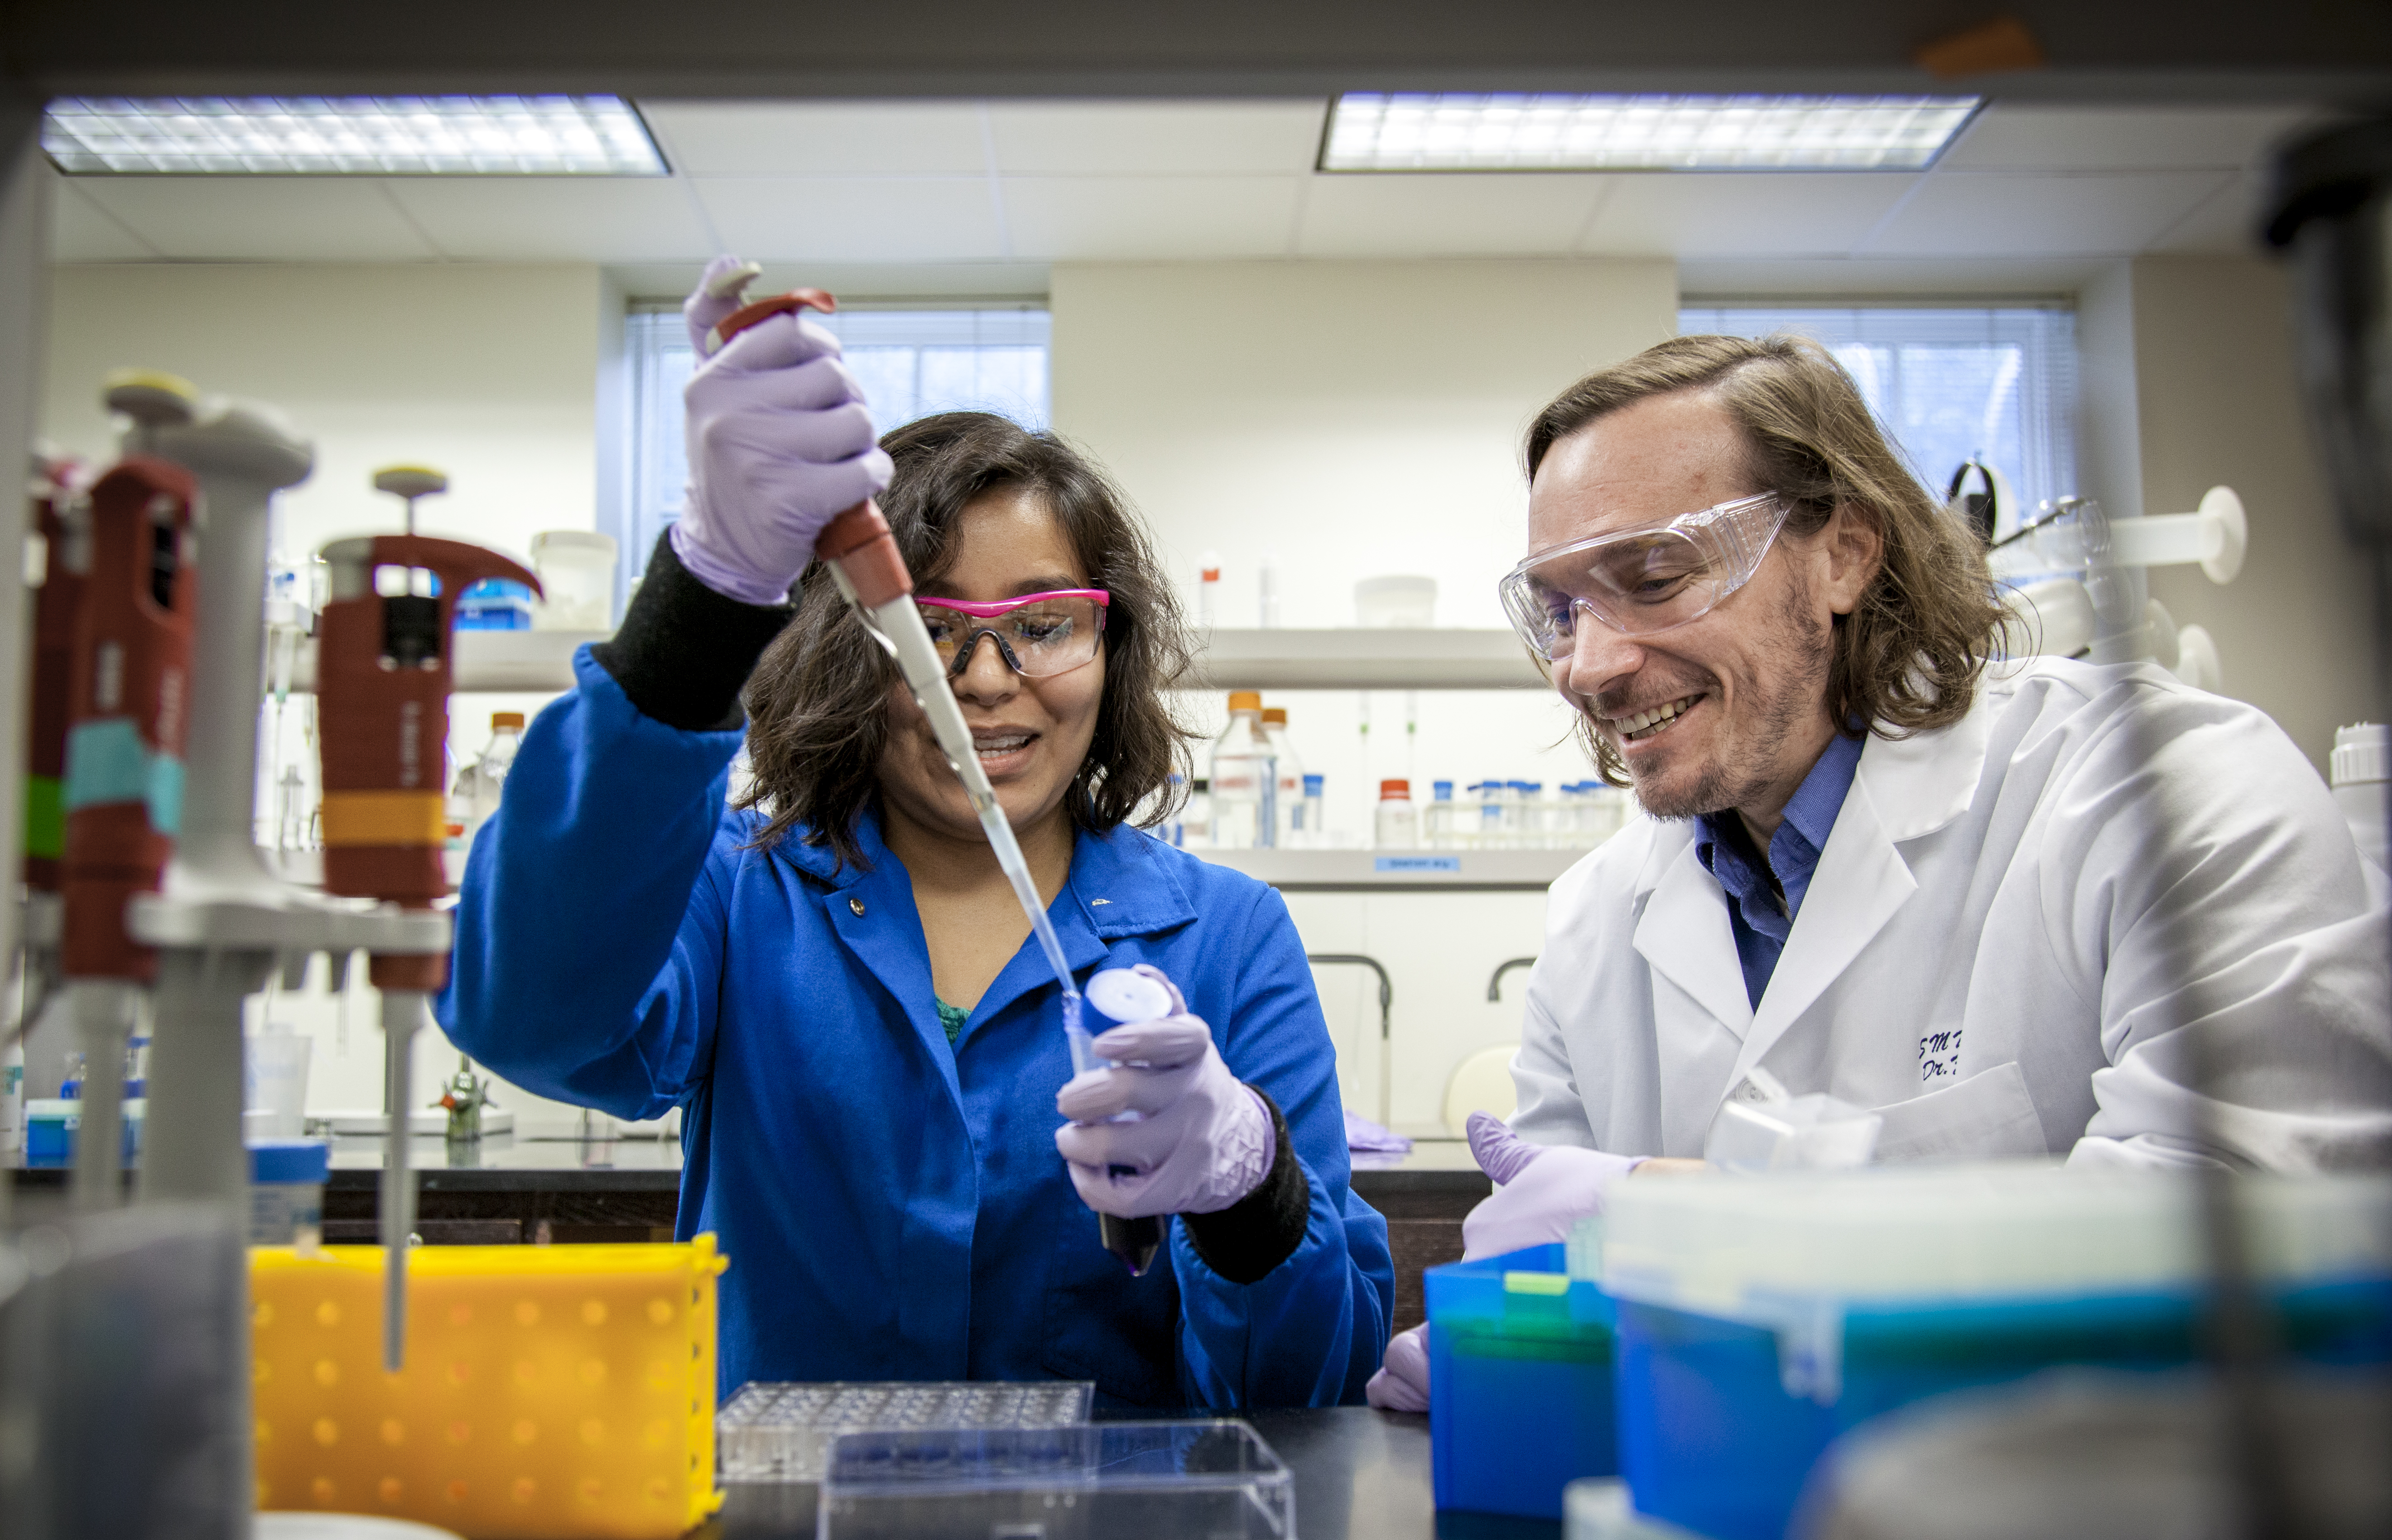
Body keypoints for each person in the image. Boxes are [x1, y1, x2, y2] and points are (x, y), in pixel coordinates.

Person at [1369, 331, 2392, 1410]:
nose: (1589, 664)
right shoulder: (1592, 923)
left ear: (1844, 554)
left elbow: (2258, 1239)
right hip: (1708, 1504)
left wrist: (1731, 1221)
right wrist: (1517, 1346)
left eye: (1656, 577)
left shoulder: (2161, 790)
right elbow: (1559, 1290)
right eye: (1560, 610)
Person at [442, 260, 1391, 1409]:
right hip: (782, 1523)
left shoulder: (1227, 938)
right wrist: (703, 596)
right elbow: (526, 1019)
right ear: (847, 652)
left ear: (1111, 651)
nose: (987, 677)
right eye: (932, 625)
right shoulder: (740, 893)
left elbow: (1310, 1384)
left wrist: (1249, 1186)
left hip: (1119, 1527)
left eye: (1045, 622)